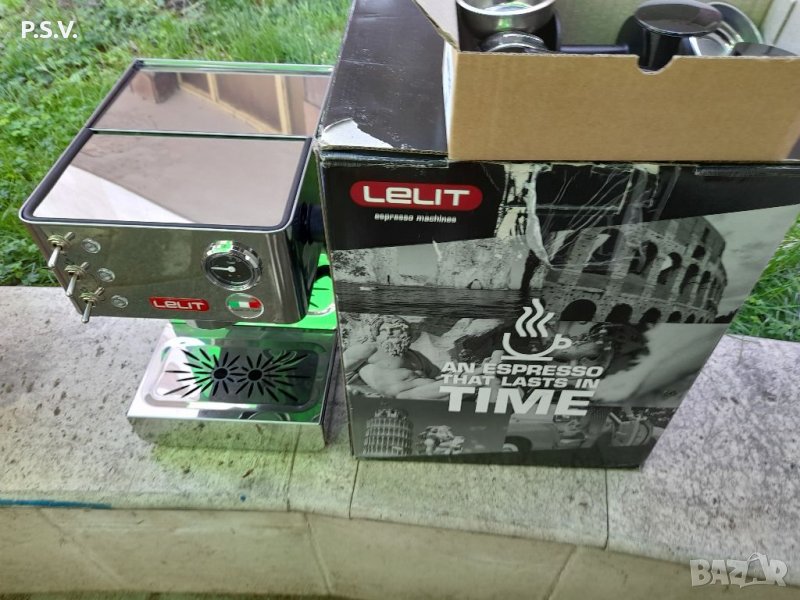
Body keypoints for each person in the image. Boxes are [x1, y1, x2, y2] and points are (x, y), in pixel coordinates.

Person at [343, 316, 447, 399]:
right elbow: (339, 372)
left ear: (405, 331)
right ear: (377, 335)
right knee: (455, 386)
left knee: (454, 383)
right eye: (383, 330)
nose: (389, 333)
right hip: (405, 395)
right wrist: (364, 392)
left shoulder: (415, 355)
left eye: (394, 328)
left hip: (431, 391)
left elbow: (438, 376)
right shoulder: (369, 349)